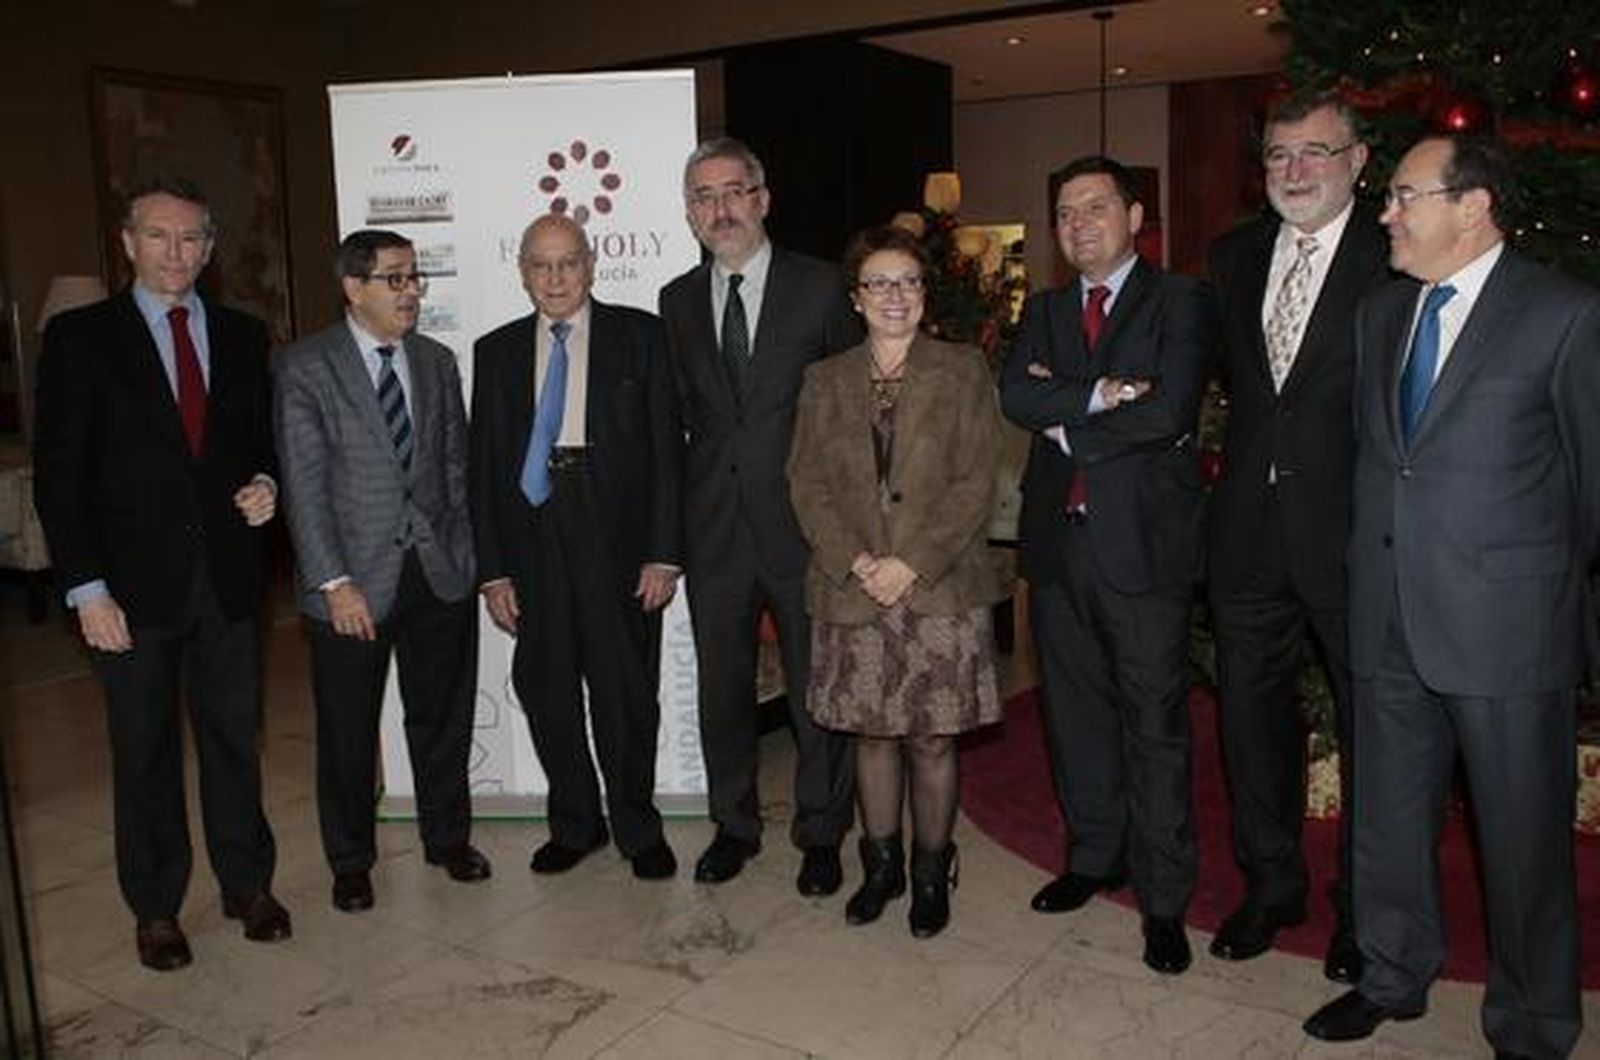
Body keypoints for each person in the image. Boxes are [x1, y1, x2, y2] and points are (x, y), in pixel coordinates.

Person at [1304, 134, 1597, 1060]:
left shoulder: (1565, 315)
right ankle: (1391, 975)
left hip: (1507, 630)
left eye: (1403, 196)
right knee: (1387, 819)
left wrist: (1536, 594)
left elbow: (1592, 488)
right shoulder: (1381, 314)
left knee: (1522, 839)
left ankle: (1534, 1021)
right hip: (1387, 614)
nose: (1385, 213)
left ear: (1473, 207)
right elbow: (1382, 461)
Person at [32, 177, 290, 969]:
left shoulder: (244, 335)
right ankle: (155, 907)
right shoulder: (80, 338)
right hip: (129, 591)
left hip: (229, 581)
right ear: (128, 243)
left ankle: (247, 883)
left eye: (191, 238)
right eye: (158, 236)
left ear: (209, 249)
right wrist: (85, 588)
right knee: (144, 751)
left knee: (233, 740)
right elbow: (59, 476)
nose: (175, 252)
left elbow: (259, 443)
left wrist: (266, 483)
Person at [1000, 155, 1210, 975]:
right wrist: (1103, 393)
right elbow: (1016, 395)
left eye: (1095, 206)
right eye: (1064, 212)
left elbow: (1168, 410)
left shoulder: (1180, 300)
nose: (1078, 223)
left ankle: (1164, 899)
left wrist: (1066, 419)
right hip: (1059, 546)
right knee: (1075, 715)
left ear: (1134, 217)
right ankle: (1094, 856)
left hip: (1143, 550)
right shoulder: (1045, 308)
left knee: (1154, 725)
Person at [1206, 90, 1390, 981]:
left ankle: (1365, 907)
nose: (1295, 170)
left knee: (1373, 729)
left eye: (1316, 152)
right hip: (1247, 532)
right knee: (1249, 721)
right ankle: (1271, 884)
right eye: (1280, 154)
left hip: (1355, 537)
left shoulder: (1395, 255)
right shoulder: (1233, 255)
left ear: (1358, 161)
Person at [788, 225, 1006, 938]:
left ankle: (931, 871)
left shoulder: (962, 369)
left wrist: (910, 563)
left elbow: (977, 480)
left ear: (923, 293)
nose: (894, 295)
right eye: (878, 283)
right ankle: (879, 867)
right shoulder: (824, 379)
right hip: (852, 587)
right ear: (855, 298)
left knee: (932, 740)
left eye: (907, 282)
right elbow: (806, 483)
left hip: (938, 586)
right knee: (873, 736)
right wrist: (857, 561)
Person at [659, 137, 860, 893]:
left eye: (733, 191)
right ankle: (733, 826)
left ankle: (822, 833)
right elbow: (685, 416)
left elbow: (852, 412)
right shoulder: (677, 301)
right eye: (703, 197)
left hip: (806, 529)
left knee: (817, 689)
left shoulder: (821, 287)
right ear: (690, 214)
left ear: (763, 199)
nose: (721, 209)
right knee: (723, 690)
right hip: (714, 528)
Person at [274, 229, 489, 915]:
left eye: (414, 277)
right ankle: (350, 861)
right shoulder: (306, 366)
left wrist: (464, 555)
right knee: (347, 730)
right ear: (353, 287)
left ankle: (448, 839)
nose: (411, 291)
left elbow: (454, 468)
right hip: (353, 583)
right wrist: (333, 582)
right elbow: (305, 486)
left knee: (442, 716)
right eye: (395, 278)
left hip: (437, 573)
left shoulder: (435, 361)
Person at [469, 214, 681, 880]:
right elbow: (482, 468)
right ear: (523, 273)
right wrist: (493, 572)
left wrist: (663, 552)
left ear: (590, 266)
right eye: (541, 265)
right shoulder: (496, 351)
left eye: (567, 263)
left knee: (625, 689)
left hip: (615, 528)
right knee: (547, 685)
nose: (555, 278)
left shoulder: (642, 336)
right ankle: (575, 823)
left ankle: (637, 828)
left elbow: (668, 452)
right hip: (532, 532)